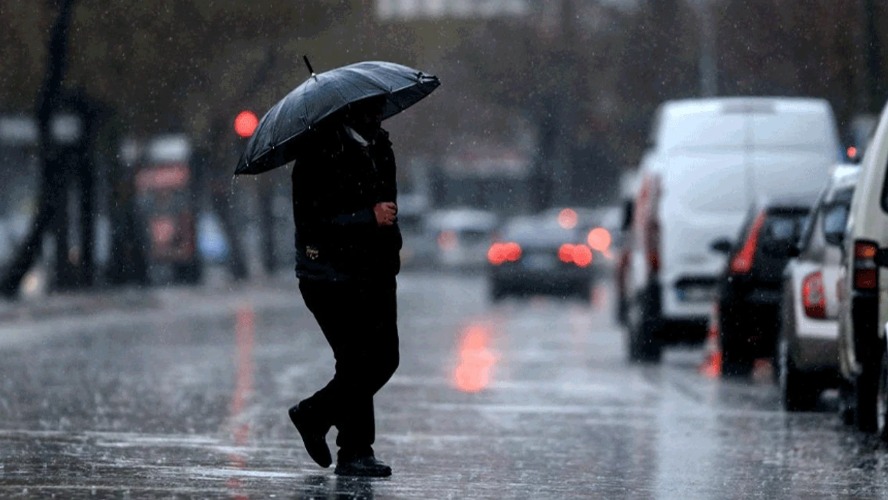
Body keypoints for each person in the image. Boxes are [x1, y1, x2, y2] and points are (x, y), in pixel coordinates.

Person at [287, 94, 401, 478]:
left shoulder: (380, 145)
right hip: (330, 276)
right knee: (358, 361)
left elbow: (390, 205)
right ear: (350, 110)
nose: (379, 114)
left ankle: (317, 418)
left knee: (383, 359)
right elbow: (314, 223)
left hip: (376, 272)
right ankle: (353, 449)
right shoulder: (318, 154)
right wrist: (367, 218)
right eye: (372, 108)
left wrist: (389, 246)